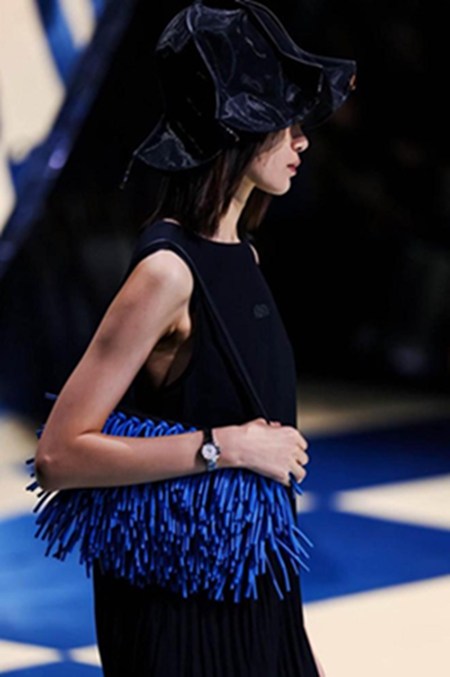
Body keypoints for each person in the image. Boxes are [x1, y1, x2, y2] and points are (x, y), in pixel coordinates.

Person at [34, 1, 356, 675]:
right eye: (284, 121)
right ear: (236, 130)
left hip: (249, 579)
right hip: (179, 599)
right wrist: (226, 446)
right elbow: (60, 454)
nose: (302, 140)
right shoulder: (167, 272)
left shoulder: (243, 254)